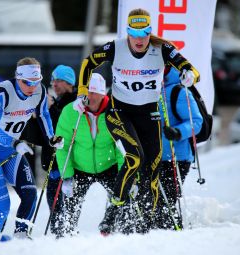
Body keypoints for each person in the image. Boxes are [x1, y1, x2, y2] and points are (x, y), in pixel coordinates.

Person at [72, 8, 200, 234]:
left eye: (145, 33)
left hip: (149, 115)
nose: (140, 39)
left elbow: (190, 68)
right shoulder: (116, 47)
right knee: (134, 158)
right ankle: (113, 212)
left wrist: (190, 75)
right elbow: (88, 63)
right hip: (119, 111)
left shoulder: (162, 48)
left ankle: (146, 224)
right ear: (128, 32)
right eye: (134, 33)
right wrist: (82, 92)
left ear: (150, 32)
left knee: (152, 172)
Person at [0, 57, 64, 242]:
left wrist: (51, 138)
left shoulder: (40, 91)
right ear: (18, 78)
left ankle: (21, 236)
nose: (32, 87)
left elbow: (44, 114)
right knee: (3, 206)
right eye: (27, 82)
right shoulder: (2, 92)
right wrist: (13, 143)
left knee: (30, 194)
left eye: (36, 82)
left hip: (11, 151)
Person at [55, 73, 124, 235]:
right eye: (86, 92)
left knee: (121, 196)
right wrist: (67, 176)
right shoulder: (71, 112)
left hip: (109, 164)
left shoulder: (114, 112)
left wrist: (124, 174)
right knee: (71, 203)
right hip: (80, 167)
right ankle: (67, 232)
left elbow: (121, 146)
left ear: (102, 93)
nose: (89, 97)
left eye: (93, 92)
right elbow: (63, 146)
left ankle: (109, 225)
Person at [155, 66, 203, 230]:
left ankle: (172, 236)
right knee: (152, 202)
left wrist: (178, 132)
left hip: (176, 158)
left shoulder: (179, 92)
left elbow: (196, 122)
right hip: (153, 156)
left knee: (164, 202)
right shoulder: (148, 89)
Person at [41, 65, 77, 237]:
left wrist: (51, 108)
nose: (55, 84)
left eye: (60, 80)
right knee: (54, 205)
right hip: (54, 163)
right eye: (53, 81)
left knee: (66, 206)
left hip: (67, 163)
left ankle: (66, 236)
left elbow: (63, 128)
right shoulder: (58, 102)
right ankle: (59, 235)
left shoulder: (75, 101)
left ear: (70, 83)